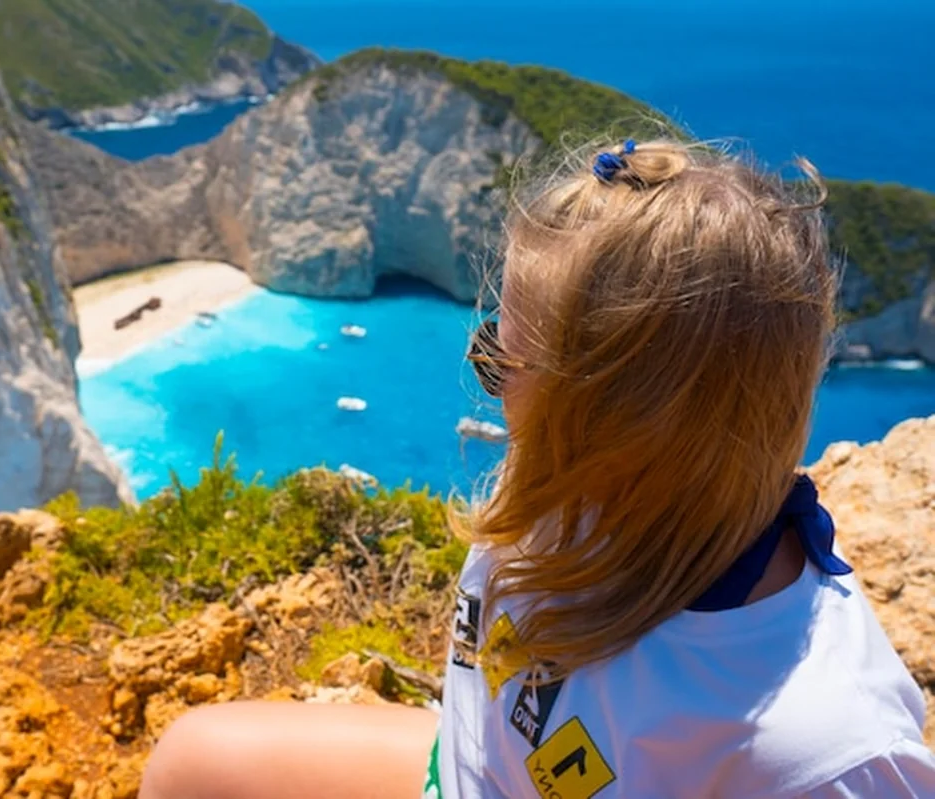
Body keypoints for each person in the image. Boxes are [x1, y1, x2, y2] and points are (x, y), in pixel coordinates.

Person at [138, 139, 935, 798]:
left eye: (499, 360)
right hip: (462, 773)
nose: (486, 384)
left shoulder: (821, 755)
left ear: (614, 424)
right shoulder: (572, 490)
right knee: (190, 762)